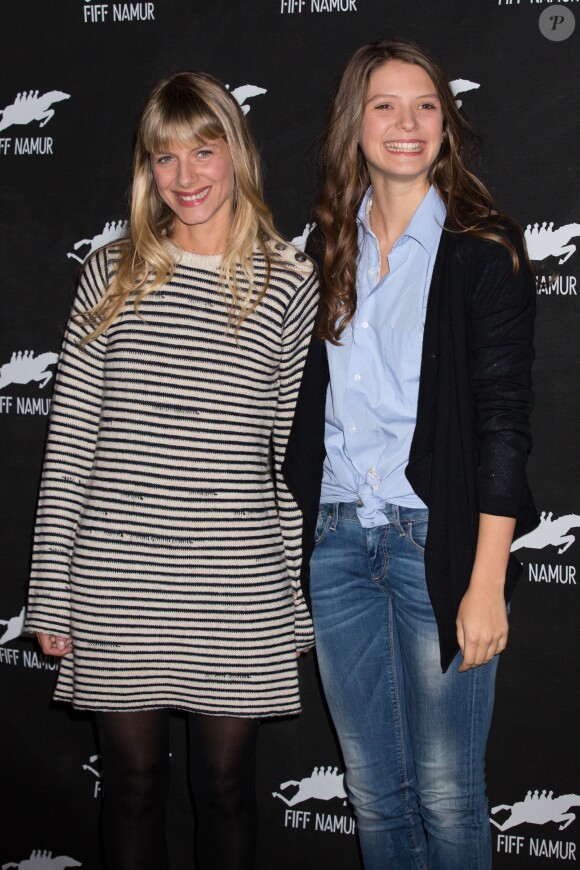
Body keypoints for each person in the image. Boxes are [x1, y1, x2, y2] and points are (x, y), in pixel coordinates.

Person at [24, 71, 318, 870]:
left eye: (204, 150)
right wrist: (51, 589)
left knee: (225, 786)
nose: (186, 177)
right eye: (164, 157)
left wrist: (292, 599)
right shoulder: (112, 273)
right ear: (146, 169)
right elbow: (71, 442)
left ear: (236, 152)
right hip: (120, 575)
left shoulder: (290, 282)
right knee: (132, 786)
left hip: (235, 577)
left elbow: (292, 458)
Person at [282, 39, 538, 870]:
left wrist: (488, 581)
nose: (406, 123)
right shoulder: (325, 252)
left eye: (425, 105)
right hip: (339, 551)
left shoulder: (483, 250)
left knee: (447, 795)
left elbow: (505, 424)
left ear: (446, 124)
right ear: (354, 124)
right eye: (384, 105)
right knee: (373, 795)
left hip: (442, 543)